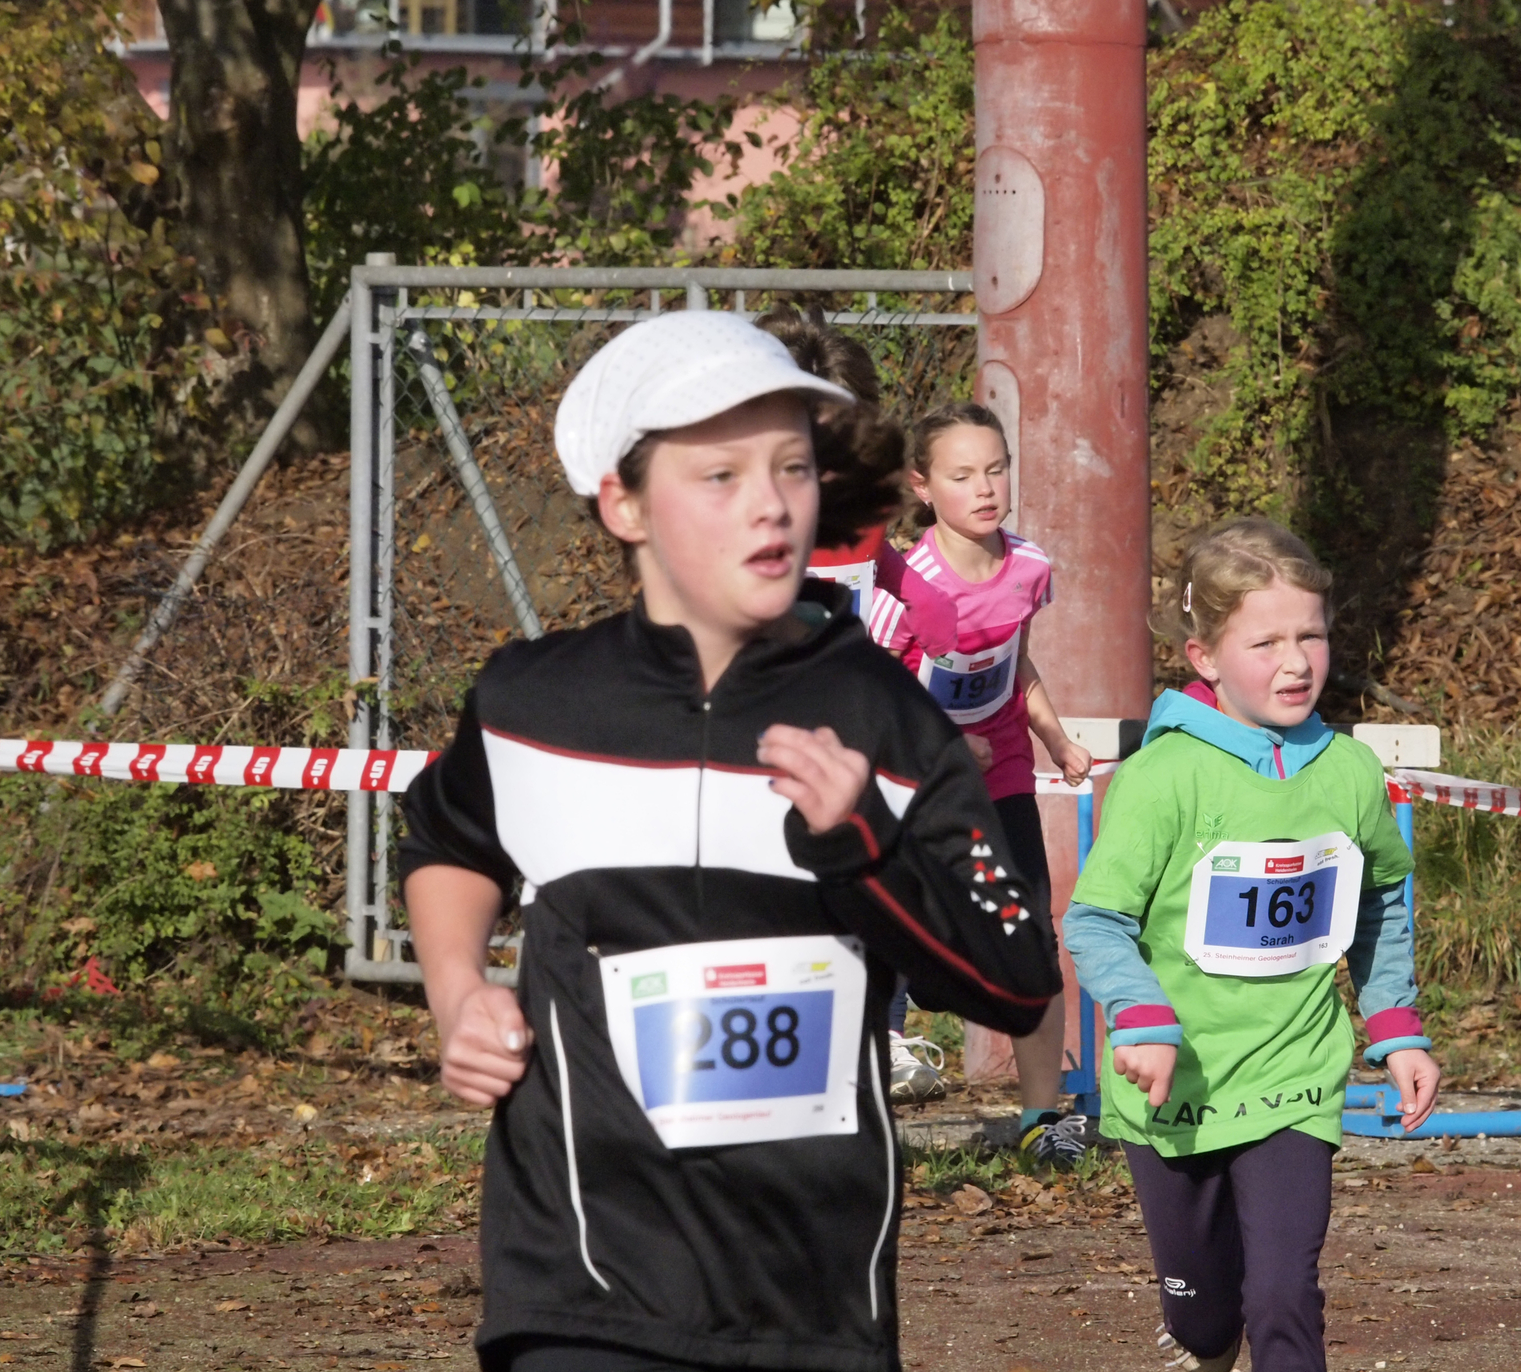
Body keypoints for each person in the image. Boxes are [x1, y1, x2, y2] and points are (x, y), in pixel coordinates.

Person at [398, 309, 1061, 1372]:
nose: (770, 505)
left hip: (812, 1309)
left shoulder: (885, 716)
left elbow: (1018, 975)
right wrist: (455, 991)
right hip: (579, 1292)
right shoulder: (531, 701)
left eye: (792, 468)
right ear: (623, 502)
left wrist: (865, 845)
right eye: (720, 476)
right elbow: (449, 840)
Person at [1062, 517, 1439, 1372]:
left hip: (1293, 1073)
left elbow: (1379, 895)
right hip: (1176, 1083)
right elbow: (1096, 920)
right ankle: (1204, 1336)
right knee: (1205, 1321)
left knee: (1283, 1293)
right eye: (1265, 643)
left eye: (1311, 636)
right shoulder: (1162, 776)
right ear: (1204, 657)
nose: (1296, 662)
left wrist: (1394, 1025)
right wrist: (1141, 1015)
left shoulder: (1349, 771)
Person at [866, 400, 1094, 1162]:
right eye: (962, 475)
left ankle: (1040, 1121)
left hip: (1004, 777)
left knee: (1033, 935)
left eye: (996, 469)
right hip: (916, 787)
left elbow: (1016, 664)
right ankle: (874, 1092)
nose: (985, 488)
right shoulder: (907, 582)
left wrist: (1054, 737)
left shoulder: (1029, 567)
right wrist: (944, 747)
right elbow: (872, 691)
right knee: (900, 928)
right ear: (923, 487)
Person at [753, 307, 960, 1103]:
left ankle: (884, 1033)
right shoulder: (742, 512)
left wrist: (926, 604)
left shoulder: (865, 507)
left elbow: (882, 562)